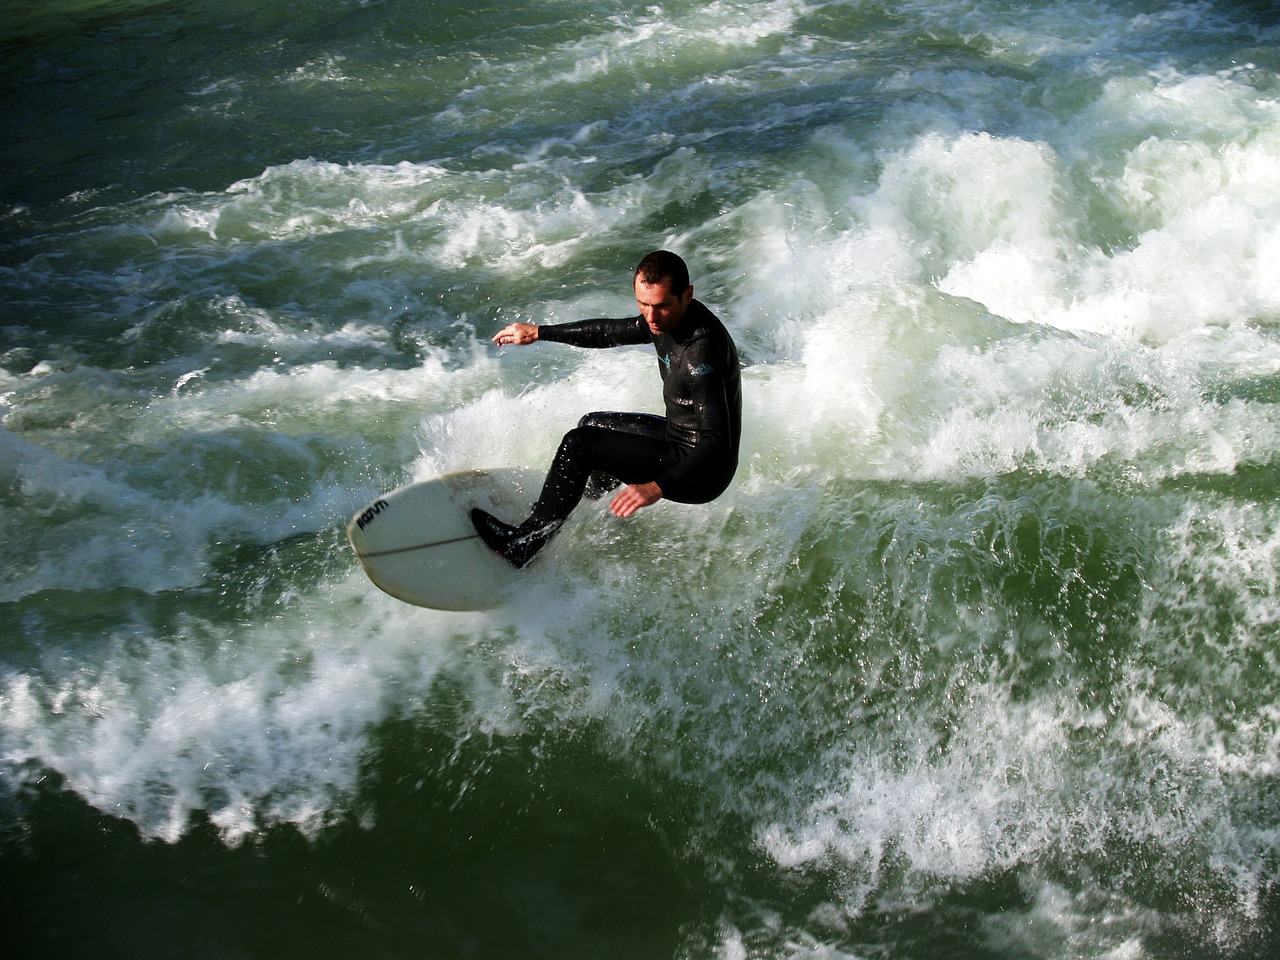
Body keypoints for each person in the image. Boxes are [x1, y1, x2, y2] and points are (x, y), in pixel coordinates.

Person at [471, 250, 743, 567]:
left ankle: (523, 545)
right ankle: (582, 505)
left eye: (661, 306)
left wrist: (656, 487)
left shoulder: (700, 352)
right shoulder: (667, 319)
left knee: (579, 444)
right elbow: (608, 333)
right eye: (643, 304)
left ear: (687, 295)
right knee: (594, 425)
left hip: (701, 472)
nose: (651, 317)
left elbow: (716, 441)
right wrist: (540, 332)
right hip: (678, 438)